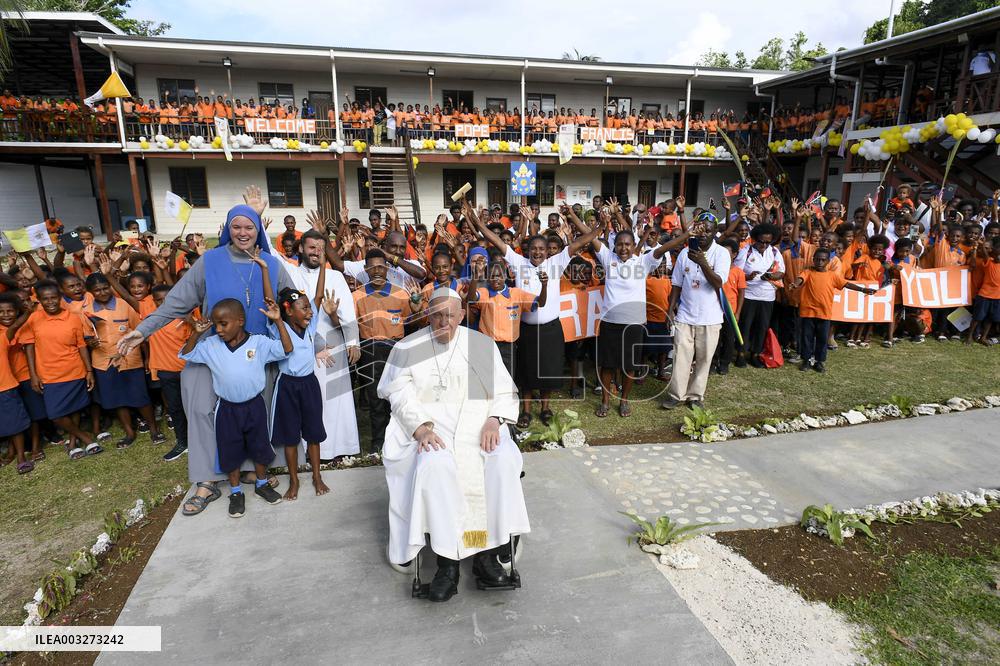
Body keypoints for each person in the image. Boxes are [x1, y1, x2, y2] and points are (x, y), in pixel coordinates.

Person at [118, 188, 297, 517]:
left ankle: (247, 471)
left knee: (251, 413)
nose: (243, 233)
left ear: (259, 230)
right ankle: (206, 479)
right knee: (201, 410)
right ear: (228, 228)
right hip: (212, 349)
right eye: (237, 227)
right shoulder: (208, 261)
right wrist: (141, 331)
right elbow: (175, 303)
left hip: (255, 352)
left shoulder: (271, 263)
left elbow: (293, 303)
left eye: (250, 227)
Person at [378, 288, 529, 602]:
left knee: (501, 463)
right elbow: (398, 393)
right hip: (432, 430)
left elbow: (501, 392)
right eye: (436, 315)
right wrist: (419, 429)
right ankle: (447, 564)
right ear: (427, 316)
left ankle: (486, 556)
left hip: (479, 427)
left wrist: (495, 420)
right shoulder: (410, 347)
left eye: (450, 314)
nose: (443, 321)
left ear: (462, 315)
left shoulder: (479, 345)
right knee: (435, 466)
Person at [469, 201, 601, 428]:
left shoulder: (556, 262)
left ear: (546, 250)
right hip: (527, 330)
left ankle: (546, 407)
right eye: (534, 249)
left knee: (548, 371)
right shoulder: (519, 262)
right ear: (527, 251)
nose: (538, 252)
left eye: (541, 249)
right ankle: (527, 410)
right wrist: (480, 224)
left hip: (551, 329)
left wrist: (599, 230)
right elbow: (496, 241)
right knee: (527, 371)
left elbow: (580, 242)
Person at [179, 296, 290, 517]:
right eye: (216, 324)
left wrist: (278, 321)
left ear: (240, 321)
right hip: (228, 409)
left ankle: (261, 484)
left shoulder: (258, 343)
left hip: (254, 405)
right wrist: (197, 333)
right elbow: (187, 353)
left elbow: (286, 349)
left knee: (259, 447)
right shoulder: (211, 345)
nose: (219, 330)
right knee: (230, 450)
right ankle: (236, 492)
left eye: (223, 324)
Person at [281, 215, 361, 460]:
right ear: (301, 249)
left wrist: (353, 342)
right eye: (311, 247)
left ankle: (337, 449)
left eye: (320, 248)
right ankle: (310, 452)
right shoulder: (292, 274)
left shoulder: (335, 277)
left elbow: (348, 313)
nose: (316, 252)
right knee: (310, 401)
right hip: (302, 346)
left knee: (336, 399)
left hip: (334, 343)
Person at [591, 222, 687, 418]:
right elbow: (589, 236)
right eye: (619, 244)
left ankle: (624, 400)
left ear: (634, 245)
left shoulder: (642, 262)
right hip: (610, 323)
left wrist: (687, 235)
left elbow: (663, 248)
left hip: (634, 324)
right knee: (607, 364)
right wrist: (579, 218)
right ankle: (606, 401)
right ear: (614, 246)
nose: (623, 248)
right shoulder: (608, 257)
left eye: (627, 244)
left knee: (629, 366)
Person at [264, 244, 330, 500]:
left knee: (313, 434)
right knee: (291, 438)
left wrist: (323, 263)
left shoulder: (309, 323)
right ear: (288, 311)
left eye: (309, 309)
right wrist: (263, 268)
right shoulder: (279, 326)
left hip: (309, 384)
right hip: (288, 386)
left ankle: (317, 476)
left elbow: (319, 296)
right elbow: (271, 300)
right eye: (304, 308)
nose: (310, 312)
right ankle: (294, 481)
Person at [21, 280, 102, 458]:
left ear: (60, 298)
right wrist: (33, 375)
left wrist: (89, 371)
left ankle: (73, 442)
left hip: (74, 370)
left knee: (74, 408)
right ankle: (85, 437)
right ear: (40, 301)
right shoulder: (34, 318)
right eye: (45, 299)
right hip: (49, 375)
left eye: (54, 298)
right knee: (55, 414)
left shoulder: (72, 317)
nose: (50, 302)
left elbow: (81, 346)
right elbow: (28, 347)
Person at [353, 249, 422, 454]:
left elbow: (413, 321)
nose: (377, 271)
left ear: (388, 268)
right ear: (365, 269)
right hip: (370, 349)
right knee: (375, 399)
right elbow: (350, 326)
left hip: (395, 349)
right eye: (372, 267)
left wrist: (416, 308)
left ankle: (400, 439)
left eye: (381, 267)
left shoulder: (401, 293)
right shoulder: (356, 296)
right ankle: (378, 442)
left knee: (398, 397)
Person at [82, 272, 162, 449]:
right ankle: (129, 432)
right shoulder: (86, 311)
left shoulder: (123, 305)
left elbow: (140, 331)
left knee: (140, 397)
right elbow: (86, 337)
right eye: (97, 290)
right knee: (116, 399)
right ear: (90, 292)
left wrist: (147, 357)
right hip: (103, 361)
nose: (102, 292)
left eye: (105, 288)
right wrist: (90, 342)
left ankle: (154, 429)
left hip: (129, 359)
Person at [660, 214, 730, 409]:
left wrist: (702, 262)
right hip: (685, 315)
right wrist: (670, 310)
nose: (703, 234)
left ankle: (695, 396)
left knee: (704, 358)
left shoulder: (722, 253)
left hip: (710, 317)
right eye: (701, 229)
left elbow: (718, 283)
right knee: (681, 356)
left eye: (708, 230)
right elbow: (676, 284)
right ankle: (676, 394)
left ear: (715, 231)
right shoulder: (684, 254)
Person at [790, 248, 880, 372]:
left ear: (828, 261)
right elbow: (800, 279)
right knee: (807, 337)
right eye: (817, 259)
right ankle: (806, 361)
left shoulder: (832, 275)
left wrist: (863, 290)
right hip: (808, 312)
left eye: (823, 260)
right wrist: (795, 284)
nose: (819, 262)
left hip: (824, 313)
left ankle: (819, 362)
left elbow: (847, 284)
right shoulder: (808, 272)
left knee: (822, 339)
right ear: (813, 260)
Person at [466, 260, 544, 377]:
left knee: (507, 377)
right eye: (492, 276)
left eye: (499, 275)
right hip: (487, 344)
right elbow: (470, 299)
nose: (496, 279)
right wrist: (475, 277)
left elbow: (540, 303)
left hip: (509, 346)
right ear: (487, 278)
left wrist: (545, 286)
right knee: (488, 375)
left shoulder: (516, 294)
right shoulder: (484, 293)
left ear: (505, 276)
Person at [147, 283, 195, 461]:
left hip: (188, 370)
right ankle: (183, 442)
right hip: (166, 372)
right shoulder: (151, 316)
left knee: (194, 408)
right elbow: (129, 297)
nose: (163, 303)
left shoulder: (185, 318)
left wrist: (191, 322)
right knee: (175, 408)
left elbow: (196, 340)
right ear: (153, 302)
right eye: (158, 300)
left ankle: (201, 440)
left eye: (167, 299)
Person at [734, 223, 785, 367]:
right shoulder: (746, 251)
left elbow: (781, 272)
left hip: (767, 297)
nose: (764, 245)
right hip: (749, 295)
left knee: (761, 327)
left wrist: (771, 276)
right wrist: (748, 277)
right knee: (745, 326)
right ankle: (741, 354)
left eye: (768, 242)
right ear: (755, 238)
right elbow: (736, 273)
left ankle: (756, 354)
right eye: (761, 241)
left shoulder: (774, 252)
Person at [0, 293, 33, 474]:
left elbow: (15, 325)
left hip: (5, 386)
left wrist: (26, 313)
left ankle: (21, 457)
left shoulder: (3, 335)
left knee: (15, 424)